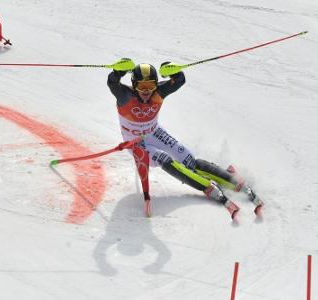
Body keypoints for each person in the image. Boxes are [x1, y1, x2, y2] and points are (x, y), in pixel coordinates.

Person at [107, 61, 264, 219]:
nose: (146, 91)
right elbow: (112, 82)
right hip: (136, 143)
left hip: (154, 133)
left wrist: (171, 69)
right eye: (142, 86)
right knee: (166, 160)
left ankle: (233, 181)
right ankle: (207, 187)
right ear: (134, 85)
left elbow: (180, 80)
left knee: (190, 161)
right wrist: (117, 72)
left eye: (150, 85)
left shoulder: (158, 93)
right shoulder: (125, 96)